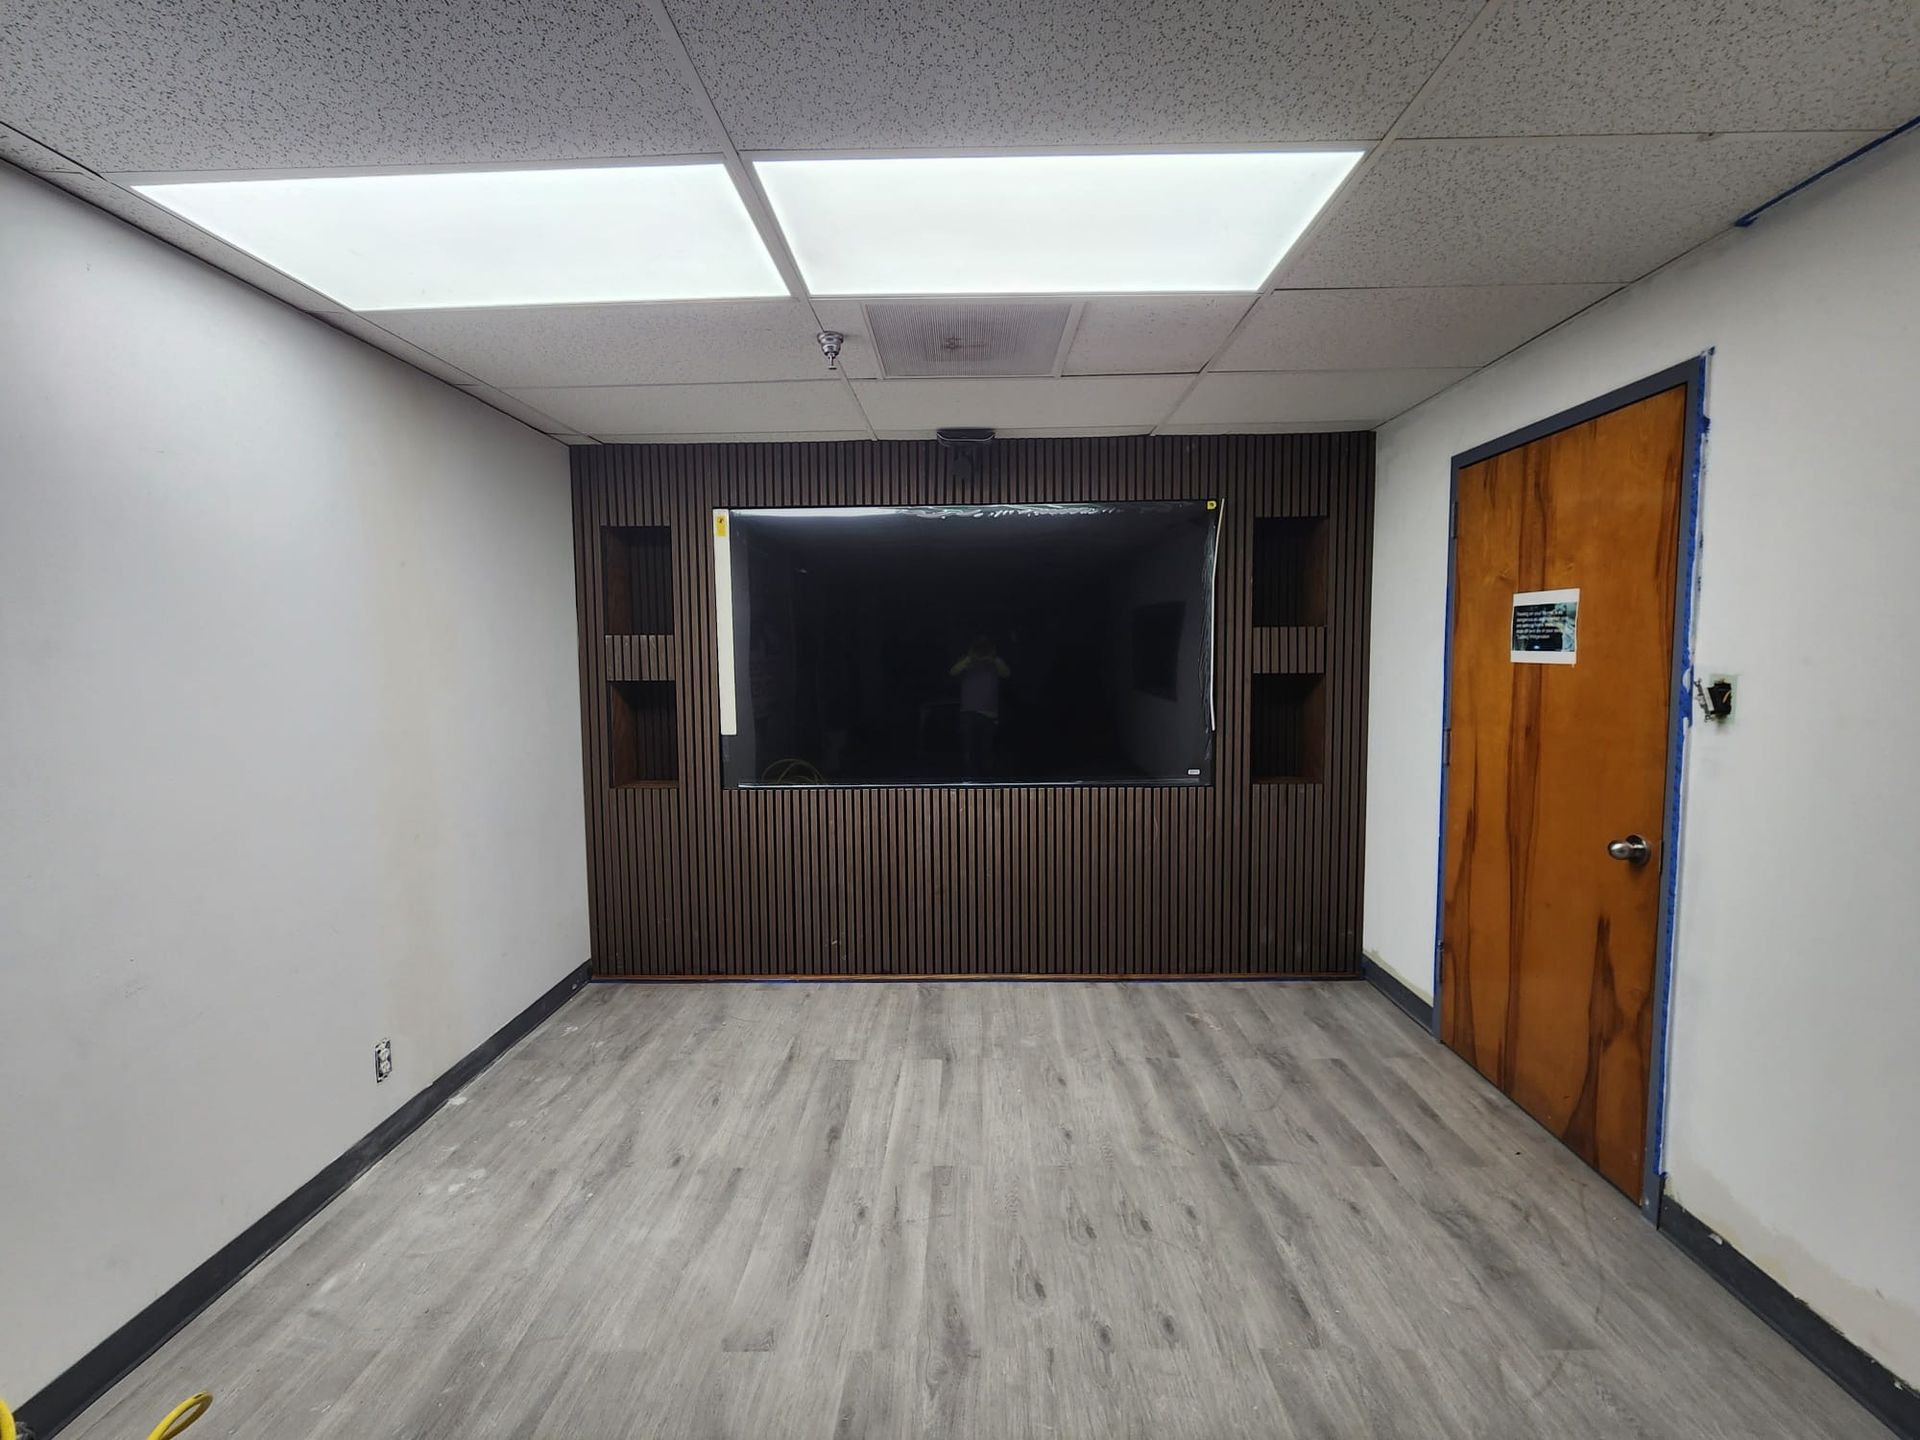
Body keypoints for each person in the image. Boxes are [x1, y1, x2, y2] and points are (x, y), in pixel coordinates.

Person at [949, 635, 1010, 777]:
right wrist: (970, 657)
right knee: (968, 750)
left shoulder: (995, 663)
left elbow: (1006, 673)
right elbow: (953, 672)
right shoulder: (966, 662)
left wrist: (993, 658)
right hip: (968, 712)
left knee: (987, 750)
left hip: (989, 713)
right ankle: (968, 780)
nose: (982, 651)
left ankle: (987, 781)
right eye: (979, 647)